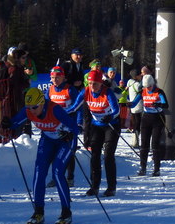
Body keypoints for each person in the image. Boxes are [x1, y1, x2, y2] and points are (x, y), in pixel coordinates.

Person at [3, 87, 78, 224]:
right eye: (29, 107)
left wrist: (69, 134)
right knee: (39, 172)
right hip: (48, 139)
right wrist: (7, 123)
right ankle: (38, 212)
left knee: (57, 172)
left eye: (35, 107)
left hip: (65, 140)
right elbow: (15, 122)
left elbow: (75, 127)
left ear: (42, 103)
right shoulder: (28, 111)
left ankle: (66, 212)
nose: (31, 110)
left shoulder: (54, 109)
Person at [70, 69, 120, 197]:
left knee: (108, 156)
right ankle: (95, 186)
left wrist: (110, 117)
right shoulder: (86, 91)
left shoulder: (107, 92)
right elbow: (74, 107)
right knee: (95, 155)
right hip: (97, 126)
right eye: (90, 83)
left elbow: (117, 110)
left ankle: (111, 187)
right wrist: (60, 114)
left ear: (101, 83)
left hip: (111, 125)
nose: (92, 86)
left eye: (95, 84)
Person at [46, 65, 81, 187]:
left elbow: (79, 107)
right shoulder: (50, 90)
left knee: (69, 152)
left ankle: (70, 178)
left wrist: (79, 123)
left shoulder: (70, 90)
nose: (55, 80)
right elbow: (46, 107)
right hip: (54, 126)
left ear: (63, 77)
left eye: (57, 77)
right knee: (54, 152)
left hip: (69, 125)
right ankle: (55, 177)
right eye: (53, 77)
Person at [130, 74, 168, 176]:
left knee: (155, 143)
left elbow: (166, 104)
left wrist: (158, 104)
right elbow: (134, 103)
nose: (148, 88)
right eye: (146, 87)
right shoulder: (143, 91)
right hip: (146, 119)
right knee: (144, 143)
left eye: (149, 86)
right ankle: (143, 168)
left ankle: (156, 169)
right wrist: (128, 104)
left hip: (158, 119)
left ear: (153, 84)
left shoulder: (159, 92)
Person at [0, 48, 28, 143]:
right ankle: (5, 138)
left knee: (3, 118)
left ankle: (3, 137)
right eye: (23, 58)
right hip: (9, 99)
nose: (25, 60)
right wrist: (26, 83)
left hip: (8, 98)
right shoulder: (13, 68)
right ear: (18, 58)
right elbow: (15, 85)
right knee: (7, 119)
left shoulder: (13, 66)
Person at [127, 69, 143, 148]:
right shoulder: (137, 84)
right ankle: (136, 142)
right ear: (136, 76)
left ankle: (134, 141)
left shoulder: (130, 83)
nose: (141, 76)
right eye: (140, 75)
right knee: (138, 125)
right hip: (138, 107)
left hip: (133, 107)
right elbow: (142, 92)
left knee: (135, 124)